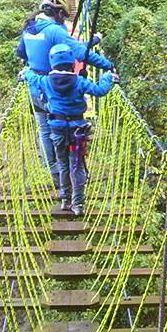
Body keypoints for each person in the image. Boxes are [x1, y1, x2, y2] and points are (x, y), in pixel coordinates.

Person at [16, 0, 115, 169]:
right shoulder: (55, 30)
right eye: (64, 16)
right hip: (55, 88)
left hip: (35, 86)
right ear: (60, 13)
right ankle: (70, 167)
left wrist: (93, 41)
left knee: (44, 128)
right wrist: (109, 66)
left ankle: (51, 167)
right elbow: (80, 53)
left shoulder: (29, 28)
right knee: (66, 125)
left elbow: (22, 53)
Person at [20, 43, 117, 215]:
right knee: (77, 166)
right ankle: (77, 204)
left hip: (57, 130)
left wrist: (25, 72)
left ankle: (65, 200)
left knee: (63, 164)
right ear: (72, 63)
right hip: (77, 132)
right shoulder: (80, 82)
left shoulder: (45, 81)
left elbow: (32, 78)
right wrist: (108, 77)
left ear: (52, 64)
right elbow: (100, 90)